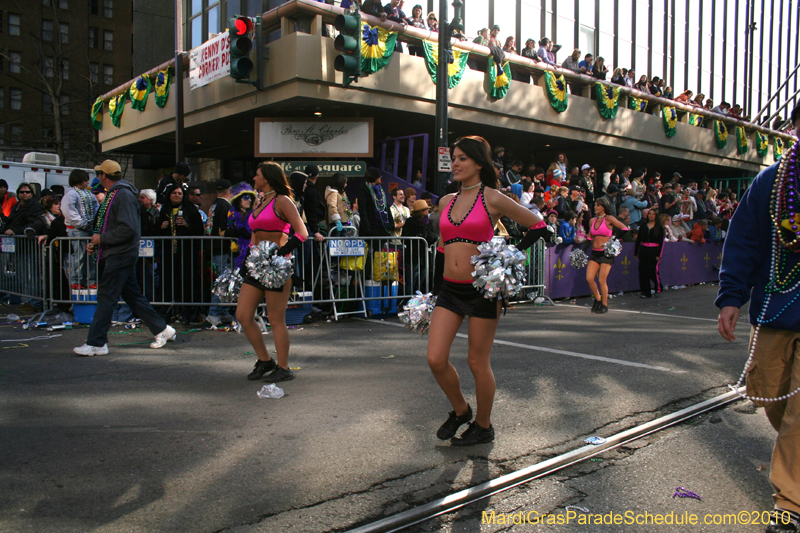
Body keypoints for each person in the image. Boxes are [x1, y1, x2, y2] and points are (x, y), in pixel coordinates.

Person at [428, 135, 549, 446]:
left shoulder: (492, 197)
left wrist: (508, 258)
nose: (454, 163)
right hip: (449, 290)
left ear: (478, 163)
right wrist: (433, 287)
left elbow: (538, 226)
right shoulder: (446, 202)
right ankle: (461, 411)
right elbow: (442, 248)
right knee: (435, 359)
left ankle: (484, 425)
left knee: (477, 361)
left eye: (461, 158)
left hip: (483, 290)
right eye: (453, 158)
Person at [717, 107, 800, 533]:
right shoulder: (774, 180)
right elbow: (743, 238)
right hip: (776, 310)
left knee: (798, 416)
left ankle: (789, 504)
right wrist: (731, 297)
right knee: (768, 396)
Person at [72, 160, 176, 356]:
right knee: (131, 295)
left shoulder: (122, 195)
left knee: (106, 298)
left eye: (99, 174)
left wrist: (101, 238)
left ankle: (97, 342)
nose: (97, 177)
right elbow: (120, 227)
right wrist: (98, 241)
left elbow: (128, 229)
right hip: (119, 253)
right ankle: (162, 329)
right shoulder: (120, 193)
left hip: (119, 255)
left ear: (104, 175)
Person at [238, 162, 309, 383]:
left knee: (276, 319)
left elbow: (302, 232)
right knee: (243, 315)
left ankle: (284, 367)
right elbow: (255, 232)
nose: (253, 178)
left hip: (277, 268)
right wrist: (247, 258)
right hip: (257, 266)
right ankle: (265, 360)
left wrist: (282, 253)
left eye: (256, 175)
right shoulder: (260, 201)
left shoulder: (282, 200)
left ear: (267, 178)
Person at [156, 183, 205, 323]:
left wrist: (187, 225)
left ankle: (187, 313)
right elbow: (156, 231)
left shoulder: (190, 210)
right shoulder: (164, 210)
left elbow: (199, 230)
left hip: (186, 254)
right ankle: (167, 312)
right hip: (169, 254)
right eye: (174, 193)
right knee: (168, 282)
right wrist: (161, 226)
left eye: (179, 193)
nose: (177, 196)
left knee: (186, 283)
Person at [586, 197, 628, 313]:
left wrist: (615, 239)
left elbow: (624, 228)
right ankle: (598, 299)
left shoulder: (609, 219)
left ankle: (604, 304)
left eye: (598, 205)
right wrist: (583, 251)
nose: (595, 207)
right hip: (594, 252)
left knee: (601, 280)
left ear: (604, 207)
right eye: (595, 205)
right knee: (589, 278)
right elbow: (589, 237)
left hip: (606, 253)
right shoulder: (592, 220)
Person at [61, 169, 99, 289]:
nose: (87, 182)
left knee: (90, 255)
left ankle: (90, 280)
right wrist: (83, 224)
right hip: (77, 229)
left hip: (87, 227)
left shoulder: (88, 194)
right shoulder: (71, 194)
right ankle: (76, 280)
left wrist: (93, 222)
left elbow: (96, 208)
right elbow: (70, 212)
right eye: (85, 180)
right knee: (80, 255)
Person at [206, 179, 234, 326]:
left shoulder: (215, 204)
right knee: (223, 281)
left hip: (216, 247)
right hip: (222, 248)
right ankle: (214, 312)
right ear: (229, 191)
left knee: (225, 280)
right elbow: (226, 227)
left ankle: (223, 311)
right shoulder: (225, 205)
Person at [224, 183, 257, 269]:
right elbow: (223, 231)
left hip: (251, 253)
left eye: (251, 198)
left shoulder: (254, 214)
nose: (249, 200)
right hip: (235, 253)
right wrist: (236, 232)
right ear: (238, 199)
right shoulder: (231, 214)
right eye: (246, 197)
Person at [634, 208, 664, 298]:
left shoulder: (659, 228)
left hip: (654, 251)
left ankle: (658, 287)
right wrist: (635, 252)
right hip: (643, 250)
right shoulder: (643, 226)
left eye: (653, 214)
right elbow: (638, 240)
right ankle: (646, 292)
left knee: (652, 271)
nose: (651, 215)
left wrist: (659, 255)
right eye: (649, 214)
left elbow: (661, 242)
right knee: (642, 271)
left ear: (656, 216)